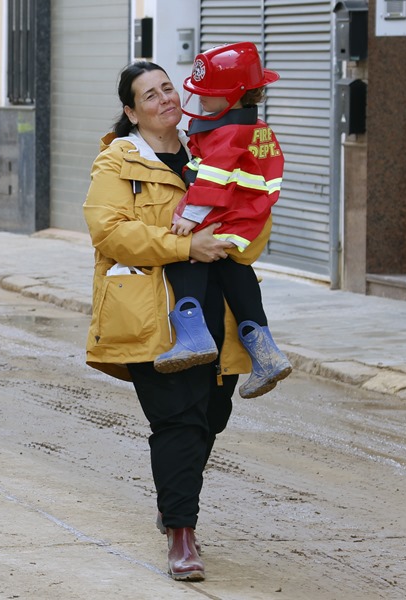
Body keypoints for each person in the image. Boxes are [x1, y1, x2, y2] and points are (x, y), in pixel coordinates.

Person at [82, 61, 273, 582]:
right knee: (178, 420)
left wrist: (241, 237)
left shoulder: (212, 148)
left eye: (169, 87)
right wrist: (187, 244)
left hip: (220, 313)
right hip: (152, 314)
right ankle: (182, 536)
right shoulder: (116, 164)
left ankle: (173, 507)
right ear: (131, 111)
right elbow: (110, 233)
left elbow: (250, 222)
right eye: (150, 95)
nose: (165, 99)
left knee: (211, 417)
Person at [153, 42, 292, 400]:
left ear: (234, 96)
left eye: (208, 93)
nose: (199, 98)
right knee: (233, 269)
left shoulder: (228, 133)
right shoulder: (256, 128)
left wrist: (189, 217)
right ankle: (265, 352)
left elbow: (213, 179)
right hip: (248, 215)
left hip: (225, 212)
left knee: (186, 252)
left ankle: (192, 336)